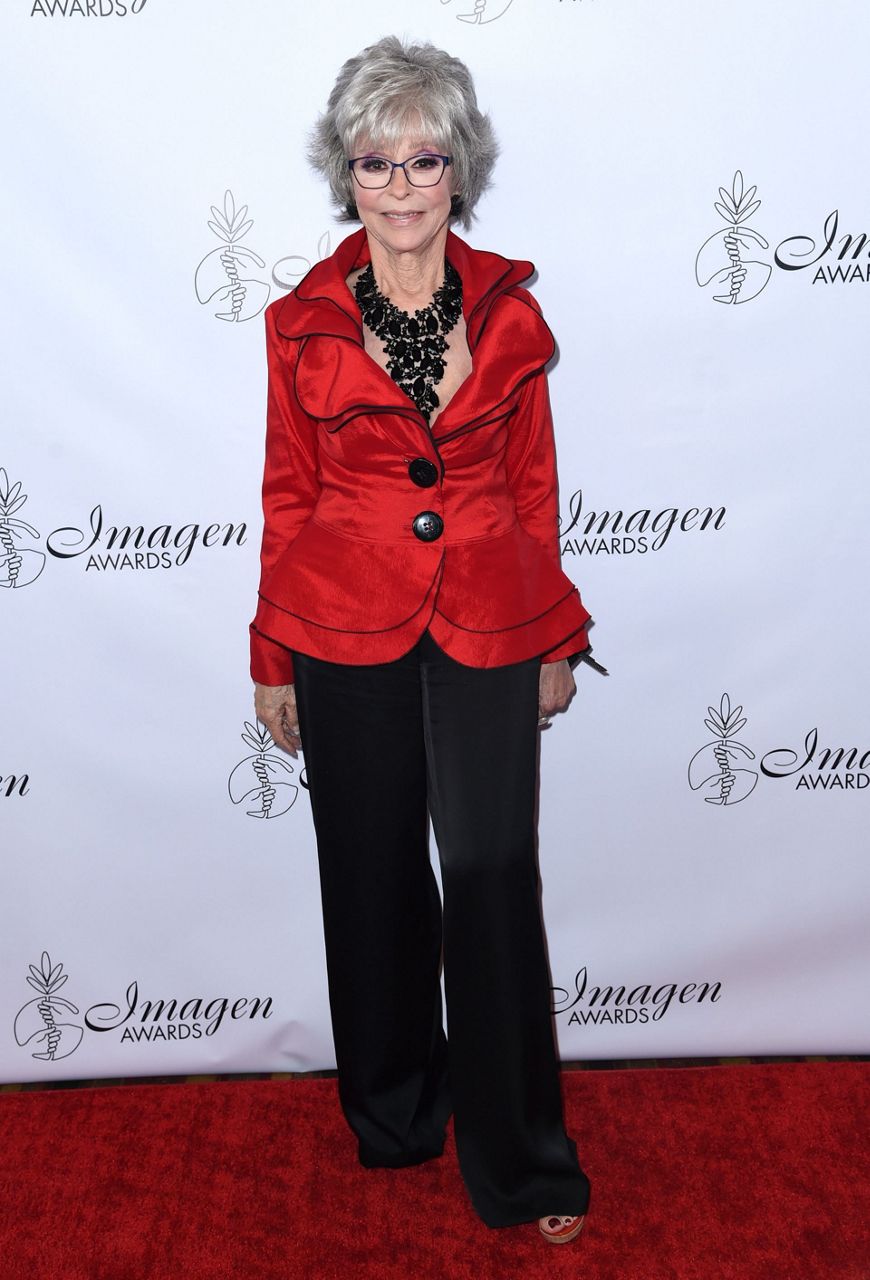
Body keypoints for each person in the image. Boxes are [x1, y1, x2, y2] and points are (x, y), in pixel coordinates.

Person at [250, 34, 599, 1245]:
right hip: (340, 620)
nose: (400, 187)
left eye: (424, 159)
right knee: (373, 872)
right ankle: (397, 1114)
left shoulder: (512, 313)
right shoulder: (301, 322)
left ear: (461, 168)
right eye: (375, 162)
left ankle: (526, 1160)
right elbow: (286, 495)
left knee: (493, 872)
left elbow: (536, 486)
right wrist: (270, 654)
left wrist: (554, 637)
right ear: (345, 175)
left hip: (491, 617)